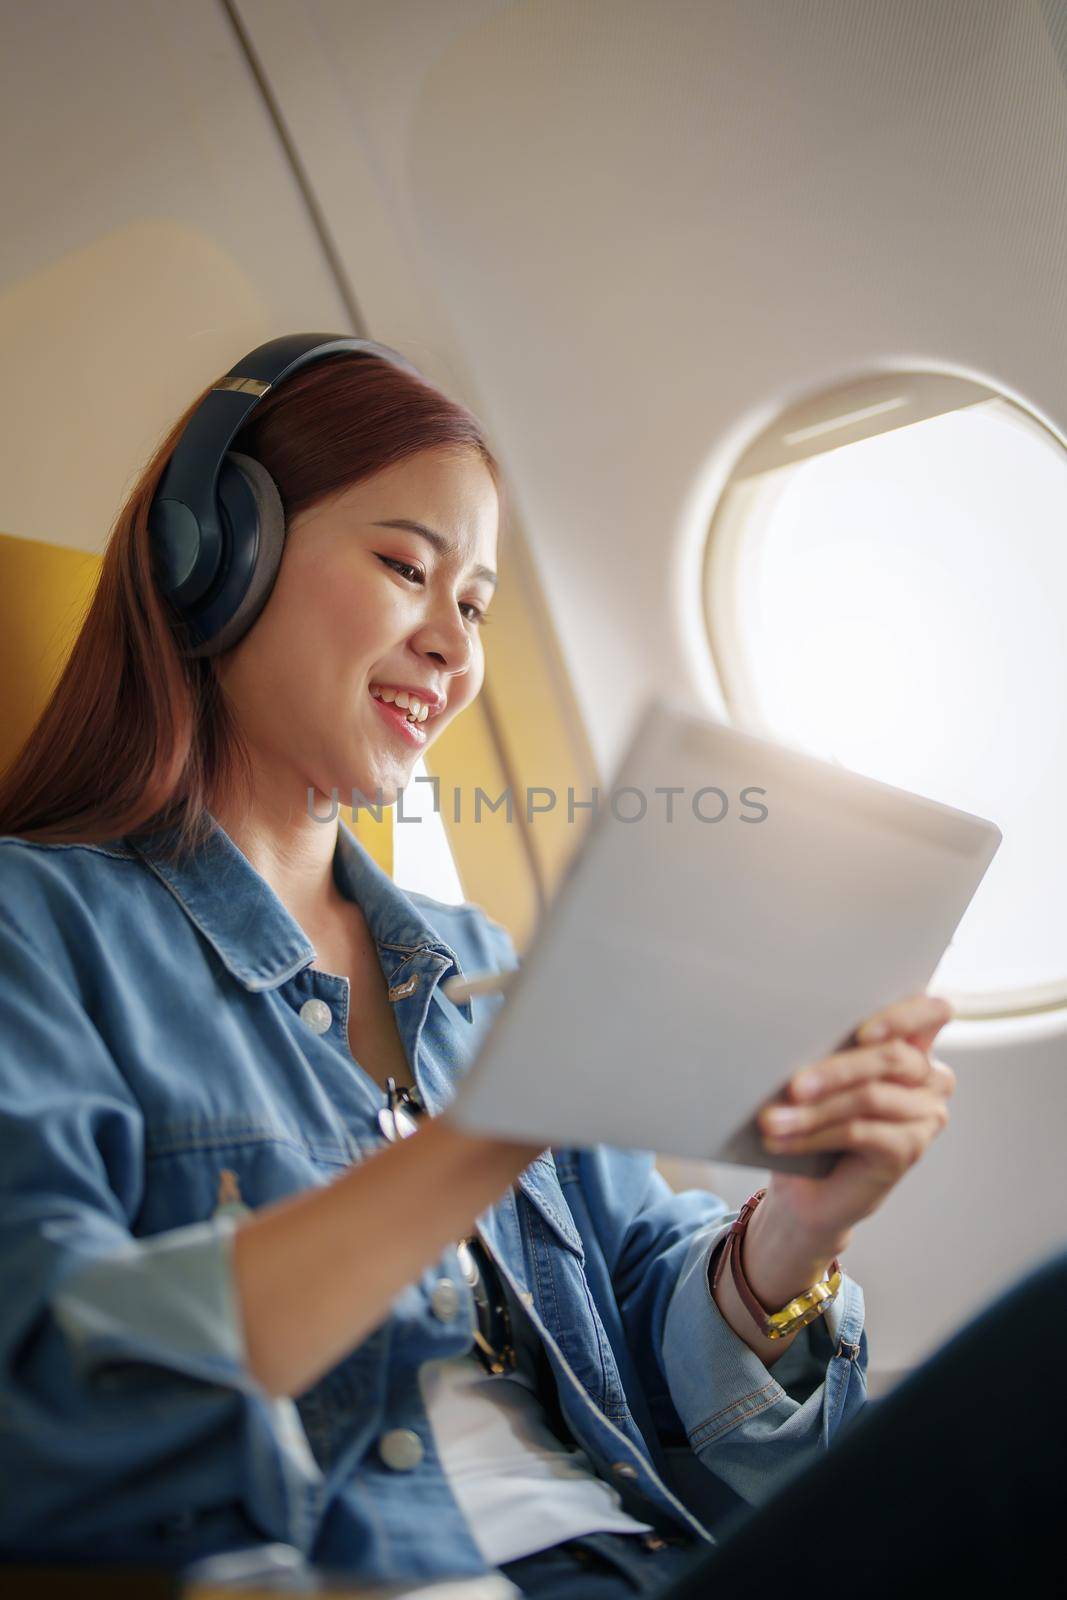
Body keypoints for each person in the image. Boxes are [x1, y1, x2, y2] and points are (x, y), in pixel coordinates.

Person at [0, 336, 1061, 1598]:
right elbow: (43, 1394)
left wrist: (797, 1228)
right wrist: (488, 1134)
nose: (451, 644)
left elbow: (646, 1358)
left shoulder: (475, 965)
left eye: (477, 605)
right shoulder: (38, 927)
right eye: (406, 566)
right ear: (215, 556)